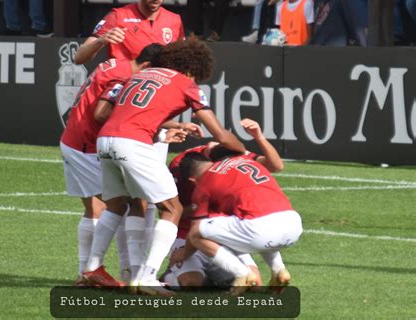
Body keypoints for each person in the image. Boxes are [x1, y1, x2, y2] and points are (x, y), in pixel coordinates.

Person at [82, 39, 246, 296]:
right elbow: (221, 135)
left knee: (116, 205)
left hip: (105, 139)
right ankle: (147, 277)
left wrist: (163, 131)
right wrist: (243, 151)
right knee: (173, 207)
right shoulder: (186, 84)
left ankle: (92, 267)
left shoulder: (142, 73)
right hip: (132, 143)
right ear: (194, 69)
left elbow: (116, 112)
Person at [60, 44, 162, 284]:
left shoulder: (116, 63)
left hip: (75, 139)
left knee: (95, 209)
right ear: (147, 66)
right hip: (86, 146)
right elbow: (102, 113)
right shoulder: (124, 76)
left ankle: (86, 273)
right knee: (127, 203)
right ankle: (124, 272)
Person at [163, 118, 284, 288]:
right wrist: (207, 208)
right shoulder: (183, 165)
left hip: (223, 232)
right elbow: (171, 210)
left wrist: (259, 137)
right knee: (192, 282)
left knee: (254, 283)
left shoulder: (231, 153)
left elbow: (276, 165)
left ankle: (221, 277)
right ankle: (170, 275)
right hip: (187, 233)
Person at [172, 151, 302, 296]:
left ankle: (242, 274)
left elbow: (196, 229)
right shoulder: (243, 160)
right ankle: (279, 270)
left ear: (192, 179)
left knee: (197, 232)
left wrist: (184, 253)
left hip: (260, 230)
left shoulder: (203, 184)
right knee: (255, 221)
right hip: (293, 224)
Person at [74, 0, 184, 65]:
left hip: (161, 82)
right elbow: (79, 58)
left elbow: (183, 63)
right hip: (125, 82)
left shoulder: (175, 20)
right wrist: (101, 40)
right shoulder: (118, 16)